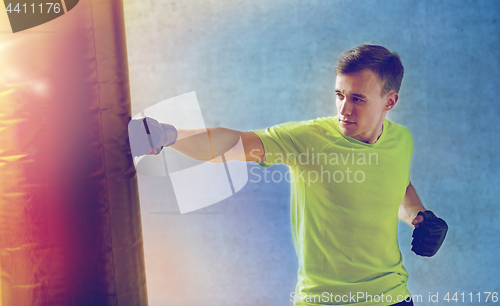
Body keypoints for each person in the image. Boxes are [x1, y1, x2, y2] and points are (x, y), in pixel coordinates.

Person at [128, 44, 447, 305]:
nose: (344, 110)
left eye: (358, 99)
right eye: (340, 95)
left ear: (390, 101)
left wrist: (422, 217)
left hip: (392, 298)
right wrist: (168, 135)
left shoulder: (402, 140)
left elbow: (398, 185)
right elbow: (236, 144)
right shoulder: (310, 138)